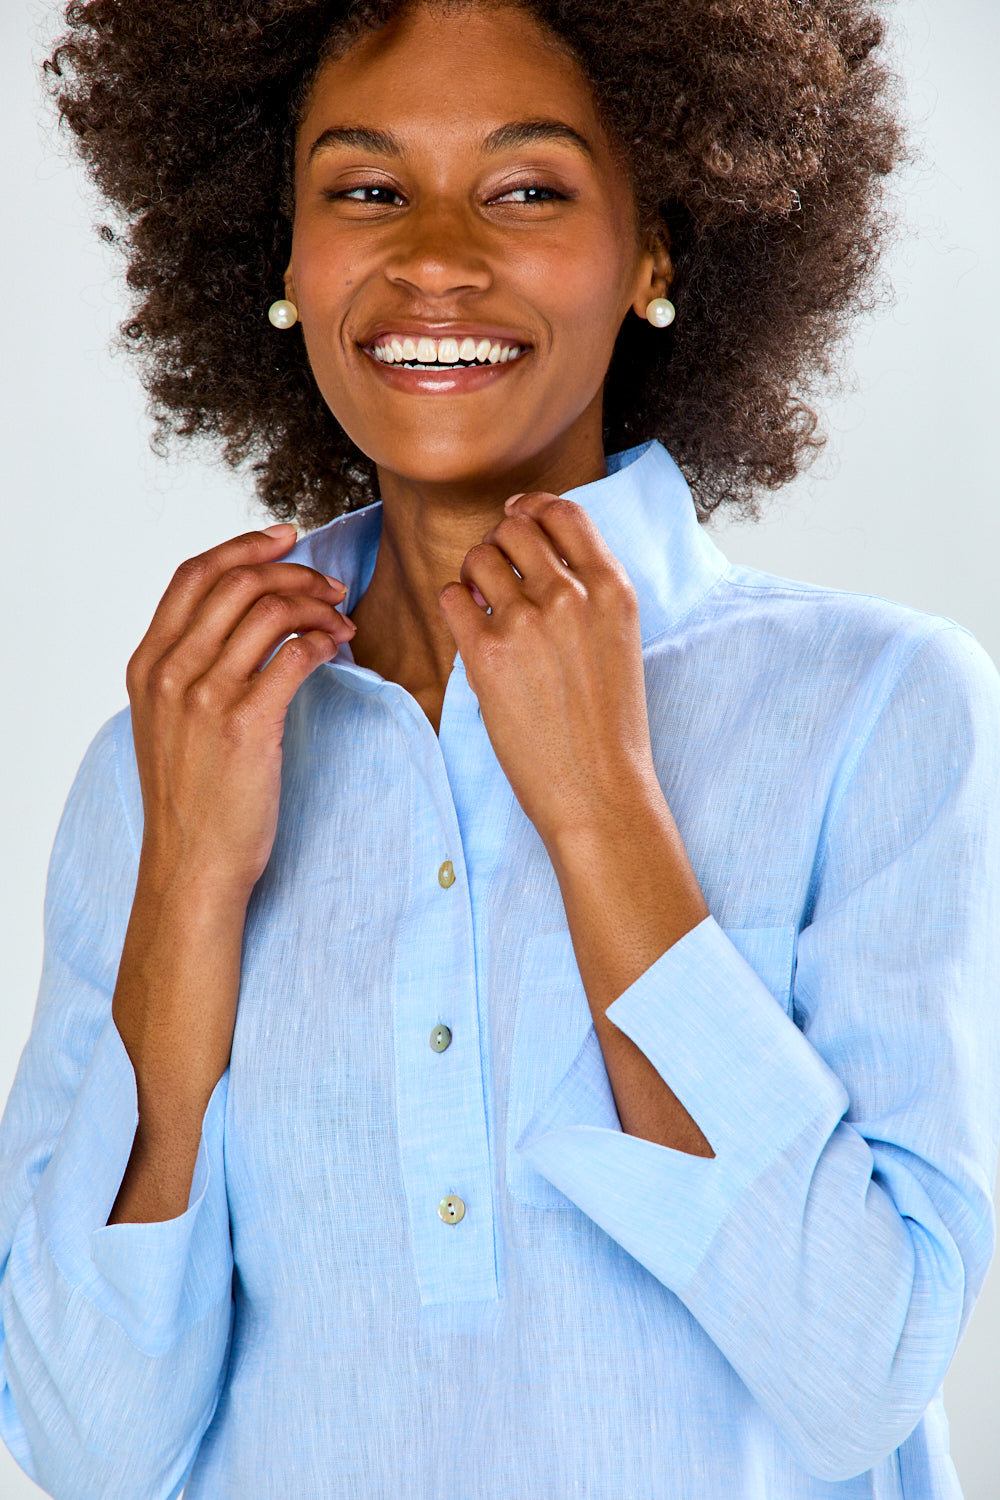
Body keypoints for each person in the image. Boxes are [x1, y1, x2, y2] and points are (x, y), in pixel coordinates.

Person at [2, 0, 998, 1496]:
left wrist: (599, 808)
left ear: (655, 248)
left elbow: (857, 1372)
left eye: (528, 189)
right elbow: (86, 1450)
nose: (437, 256)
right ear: (282, 253)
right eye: (366, 189)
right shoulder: (170, 752)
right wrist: (192, 879)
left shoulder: (878, 706)